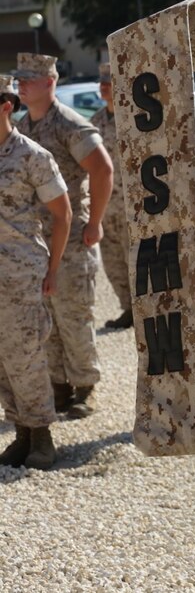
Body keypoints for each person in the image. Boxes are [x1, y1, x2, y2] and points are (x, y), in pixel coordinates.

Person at [13, 53, 113, 420]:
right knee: (47, 318)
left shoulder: (69, 124)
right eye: (19, 79)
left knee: (74, 315)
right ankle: (59, 386)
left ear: (50, 82)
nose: (21, 85)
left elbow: (103, 170)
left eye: (29, 79)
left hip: (72, 237)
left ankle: (85, 387)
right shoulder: (23, 126)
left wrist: (95, 222)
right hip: (38, 240)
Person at [92, 61, 195, 323]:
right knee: (160, 321)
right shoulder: (136, 123)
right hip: (145, 233)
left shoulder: (191, 118)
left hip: (188, 234)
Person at [0, 75, 72, 470]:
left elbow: (62, 214)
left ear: (6, 105)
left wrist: (53, 268)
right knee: (1, 359)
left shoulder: (31, 155)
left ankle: (42, 435)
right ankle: (21, 433)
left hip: (21, 273)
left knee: (26, 355)